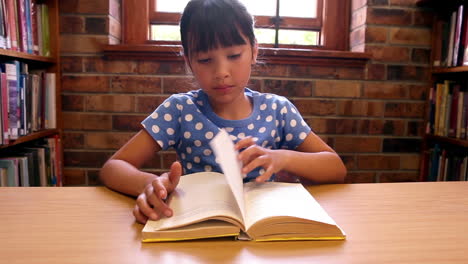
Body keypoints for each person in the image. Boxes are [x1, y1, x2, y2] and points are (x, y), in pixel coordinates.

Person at [100, 0, 347, 224]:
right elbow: (114, 167)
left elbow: (335, 168)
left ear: (254, 51)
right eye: (206, 60)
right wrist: (150, 185)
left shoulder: (277, 110)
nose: (221, 72)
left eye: (233, 55)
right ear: (188, 61)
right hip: (196, 229)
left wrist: (284, 157)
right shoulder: (179, 110)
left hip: (263, 234)